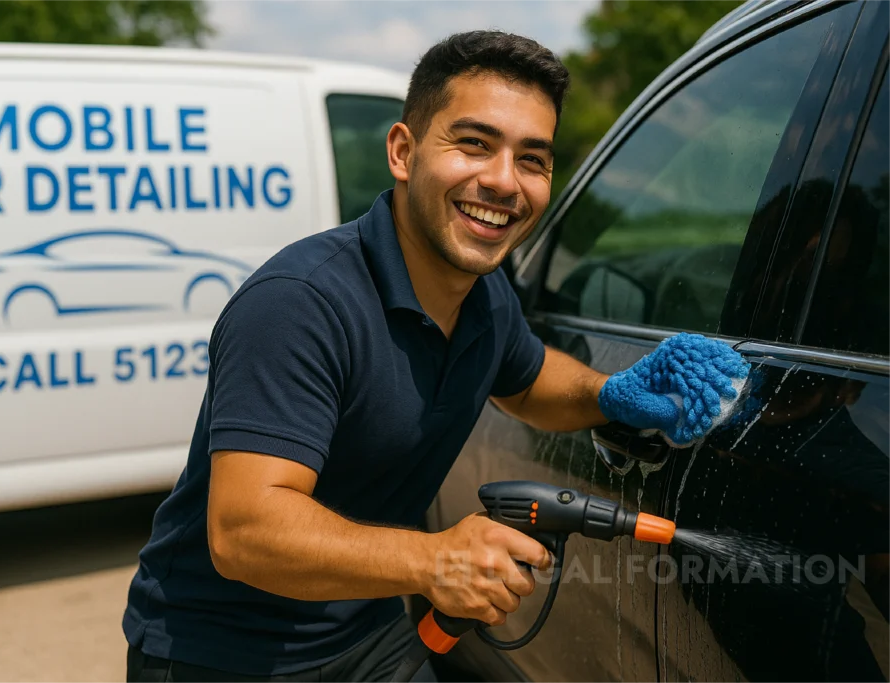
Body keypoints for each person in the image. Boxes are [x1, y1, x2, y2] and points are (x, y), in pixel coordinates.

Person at [122, 30, 747, 682]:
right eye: (474, 144)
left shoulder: (483, 294)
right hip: (219, 654)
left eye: (532, 159)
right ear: (403, 151)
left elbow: (528, 380)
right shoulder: (299, 303)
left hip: (370, 629)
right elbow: (245, 532)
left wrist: (609, 393)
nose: (503, 180)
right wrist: (436, 561)